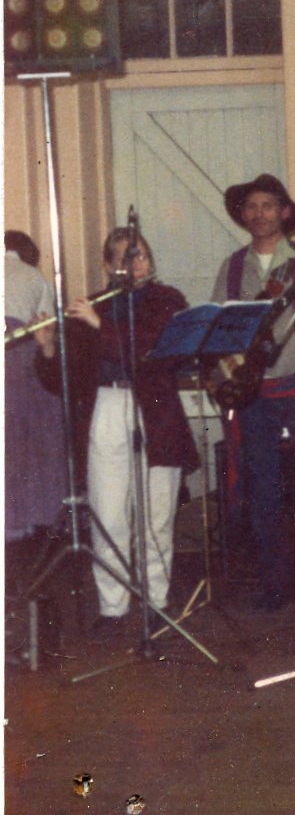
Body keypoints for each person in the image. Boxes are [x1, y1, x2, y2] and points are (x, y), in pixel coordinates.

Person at [36, 229, 199, 641]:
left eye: (142, 255)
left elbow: (148, 351)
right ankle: (113, 607)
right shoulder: (93, 305)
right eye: (126, 257)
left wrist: (99, 324)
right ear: (109, 265)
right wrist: (49, 347)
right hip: (106, 407)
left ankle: (156, 602)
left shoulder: (168, 300)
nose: (137, 264)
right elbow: (64, 381)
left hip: (155, 412)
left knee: (156, 515)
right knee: (108, 513)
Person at [212, 174, 295, 612]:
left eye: (268, 205)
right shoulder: (232, 267)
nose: (259, 214)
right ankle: (275, 584)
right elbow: (219, 331)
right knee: (263, 492)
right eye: (251, 207)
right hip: (254, 397)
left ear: (284, 212)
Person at [6, 231, 67, 544]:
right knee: (30, 439)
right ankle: (27, 519)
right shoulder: (35, 277)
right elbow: (47, 324)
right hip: (20, 352)